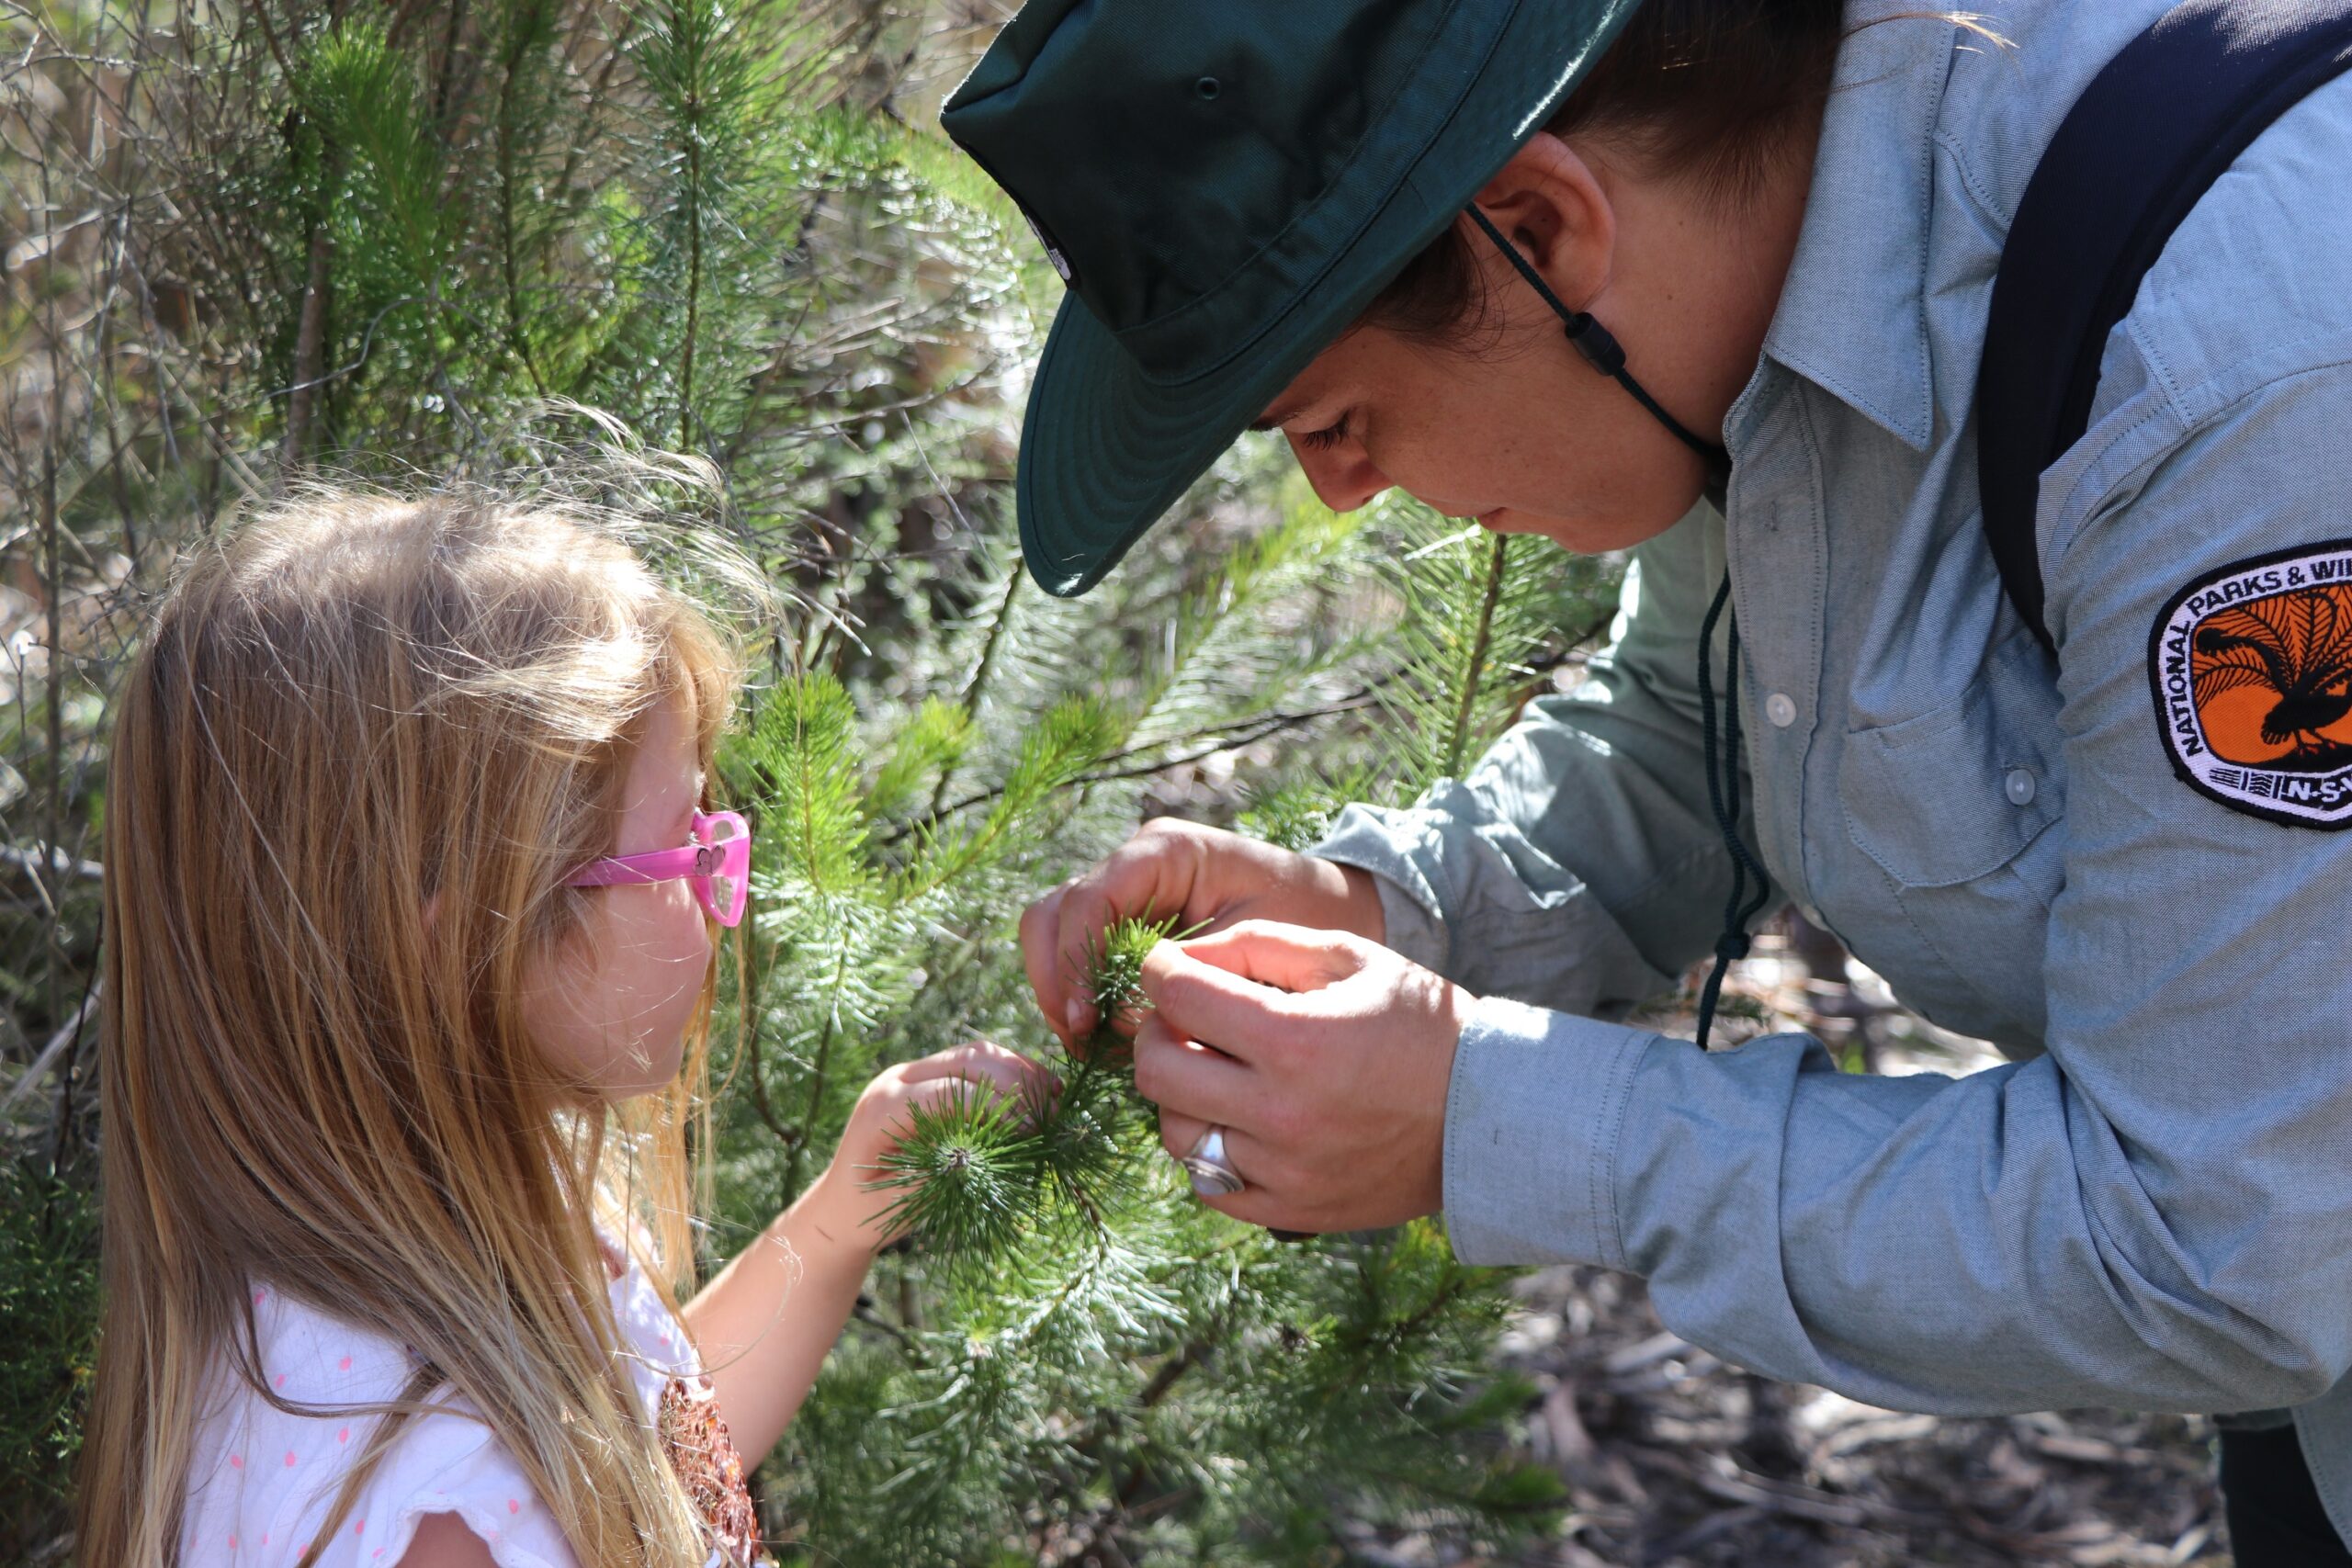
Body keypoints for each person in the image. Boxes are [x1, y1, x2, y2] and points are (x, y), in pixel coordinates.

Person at [942, 0, 2352, 1560]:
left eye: (1333, 419)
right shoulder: (1755, 259)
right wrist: (1391, 912)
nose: (1336, 495)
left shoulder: (2245, 384)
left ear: (1543, 226)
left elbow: (2212, 1245)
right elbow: (1713, 725)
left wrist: (1499, 1116)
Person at [74, 484, 1054, 1566]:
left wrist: (831, 1232)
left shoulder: (405, 1294)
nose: (731, 877)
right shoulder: (446, 1519)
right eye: (692, 842)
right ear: (470, 946)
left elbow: (645, 1463)